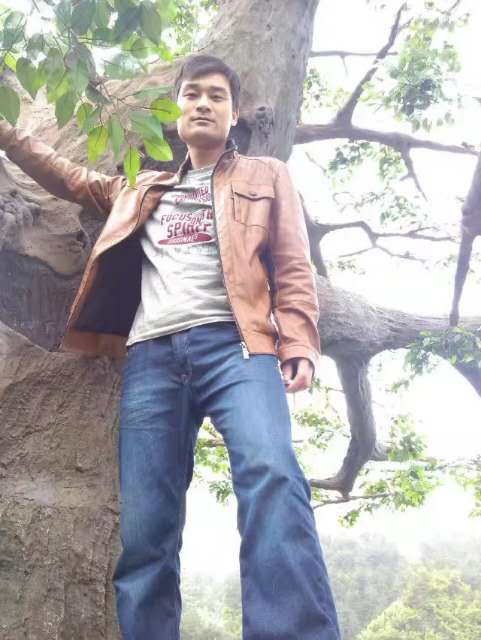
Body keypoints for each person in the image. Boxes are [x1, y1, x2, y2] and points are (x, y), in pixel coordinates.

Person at [0, 54, 341, 639]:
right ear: (176, 109)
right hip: (152, 359)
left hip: (239, 348)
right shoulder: (138, 188)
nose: (203, 103)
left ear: (234, 113)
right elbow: (65, 175)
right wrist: (7, 133)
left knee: (272, 473)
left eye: (216, 96)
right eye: (192, 94)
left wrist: (300, 342)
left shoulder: (267, 176)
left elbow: (292, 265)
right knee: (146, 526)